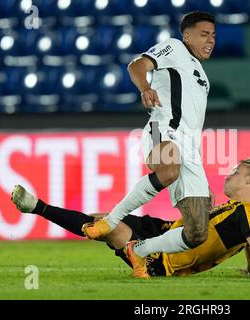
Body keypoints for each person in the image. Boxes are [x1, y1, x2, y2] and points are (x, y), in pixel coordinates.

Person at [80, 11, 217, 278]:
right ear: (187, 35)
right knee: (167, 170)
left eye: (213, 35)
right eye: (204, 34)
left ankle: (139, 249)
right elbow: (137, 65)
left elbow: (193, 127)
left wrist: (202, 176)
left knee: (197, 233)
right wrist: (145, 87)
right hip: (162, 128)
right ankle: (111, 221)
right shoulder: (175, 47)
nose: (211, 40)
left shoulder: (202, 77)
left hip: (189, 149)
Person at [11, 158, 250, 278]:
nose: (229, 175)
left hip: (162, 260)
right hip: (161, 229)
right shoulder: (239, 213)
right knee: (100, 218)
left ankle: (37, 207)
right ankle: (39, 207)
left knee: (110, 230)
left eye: (237, 172)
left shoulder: (247, 212)